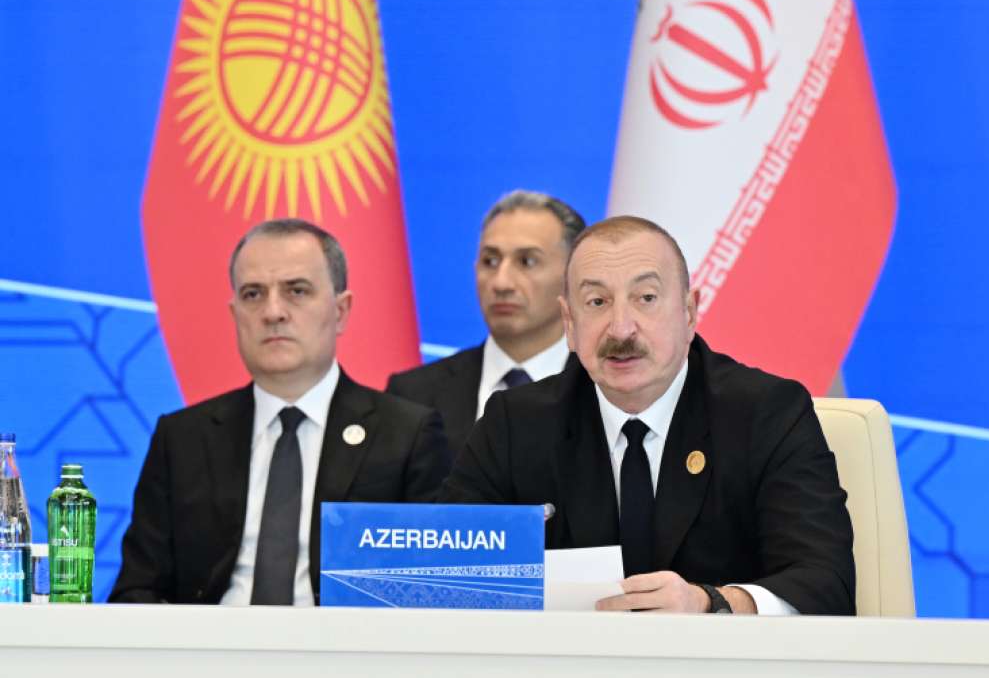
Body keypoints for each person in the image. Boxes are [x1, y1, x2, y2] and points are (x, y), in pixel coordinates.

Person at [440, 215, 855, 615]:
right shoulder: (515, 424)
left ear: (689, 313)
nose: (621, 329)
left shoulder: (766, 413)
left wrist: (713, 603)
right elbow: (446, 571)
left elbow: (824, 580)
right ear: (569, 323)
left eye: (646, 299)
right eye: (597, 302)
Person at [110, 219, 450, 605]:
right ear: (235, 313)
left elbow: (431, 591)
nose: (273, 312)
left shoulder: (406, 435)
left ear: (341, 311)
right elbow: (136, 589)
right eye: (253, 294)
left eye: (297, 291)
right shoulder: (183, 439)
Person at [386, 191, 585, 460]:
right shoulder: (412, 396)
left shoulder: (609, 389)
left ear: (574, 275)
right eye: (490, 261)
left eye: (527, 261)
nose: (501, 283)